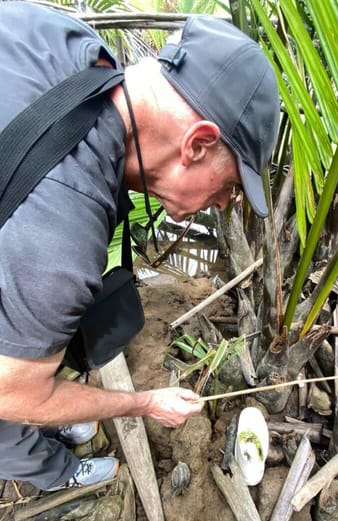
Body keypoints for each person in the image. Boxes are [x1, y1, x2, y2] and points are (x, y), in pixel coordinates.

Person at [0, 2, 280, 491]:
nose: (221, 203)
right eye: (229, 185)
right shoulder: (61, 236)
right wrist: (145, 403)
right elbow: (10, 393)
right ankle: (57, 473)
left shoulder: (68, 42)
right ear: (197, 144)